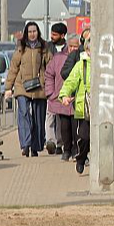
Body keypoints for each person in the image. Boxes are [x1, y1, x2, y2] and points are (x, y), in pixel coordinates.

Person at [4, 21, 51, 157]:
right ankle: (25, 144)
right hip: (22, 86)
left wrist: (49, 85)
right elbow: (13, 68)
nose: (32, 34)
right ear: (26, 33)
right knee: (24, 114)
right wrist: (8, 87)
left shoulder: (43, 48)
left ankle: (36, 146)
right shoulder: (21, 48)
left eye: (34, 31)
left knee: (38, 117)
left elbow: (50, 67)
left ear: (38, 32)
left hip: (39, 87)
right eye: (29, 32)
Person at [60, 38, 93, 175]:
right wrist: (64, 95)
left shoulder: (106, 64)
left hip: (104, 108)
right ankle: (81, 158)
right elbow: (70, 82)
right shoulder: (81, 65)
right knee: (84, 137)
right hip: (84, 108)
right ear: (87, 51)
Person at [46, 31, 77, 162]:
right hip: (61, 99)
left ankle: (76, 150)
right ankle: (67, 150)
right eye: (72, 47)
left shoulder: (83, 58)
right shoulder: (58, 58)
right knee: (64, 127)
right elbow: (49, 75)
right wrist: (51, 93)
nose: (74, 49)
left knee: (76, 127)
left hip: (77, 100)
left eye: (76, 47)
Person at [44, 23, 69, 154]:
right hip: (51, 88)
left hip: (64, 89)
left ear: (62, 35)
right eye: (51, 34)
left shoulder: (68, 49)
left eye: (54, 34)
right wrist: (49, 91)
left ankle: (60, 144)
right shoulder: (47, 48)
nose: (52, 36)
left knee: (61, 119)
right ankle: (50, 142)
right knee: (50, 116)